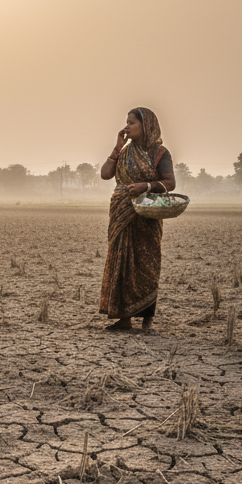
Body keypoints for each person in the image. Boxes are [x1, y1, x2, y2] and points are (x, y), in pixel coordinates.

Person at [99, 107, 176, 331]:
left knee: (146, 263)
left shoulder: (159, 153)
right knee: (121, 262)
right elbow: (105, 174)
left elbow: (170, 183)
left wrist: (146, 186)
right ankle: (123, 318)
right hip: (121, 211)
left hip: (147, 213)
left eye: (131, 123)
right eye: (127, 122)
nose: (127, 127)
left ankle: (147, 318)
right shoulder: (124, 152)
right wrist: (117, 147)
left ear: (146, 125)